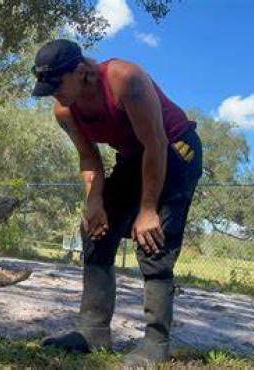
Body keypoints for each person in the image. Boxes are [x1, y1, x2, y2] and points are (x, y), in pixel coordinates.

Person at [31, 39, 203, 366]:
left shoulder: (126, 79)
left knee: (153, 239)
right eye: (47, 88)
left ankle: (156, 342)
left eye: (58, 84)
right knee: (95, 229)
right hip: (133, 157)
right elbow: (89, 158)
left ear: (81, 71)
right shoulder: (64, 110)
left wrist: (148, 209)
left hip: (175, 151)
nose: (54, 94)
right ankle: (92, 330)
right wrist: (94, 201)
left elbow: (156, 143)